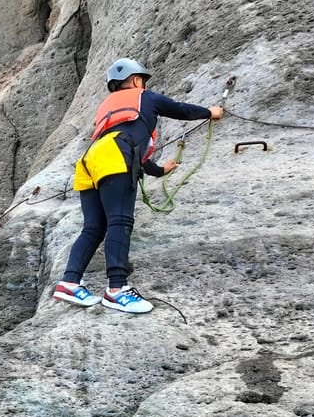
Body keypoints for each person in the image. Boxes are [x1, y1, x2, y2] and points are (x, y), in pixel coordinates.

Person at [53, 58, 223, 313]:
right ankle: (117, 289)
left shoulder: (106, 107)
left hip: (90, 160)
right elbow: (179, 109)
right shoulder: (144, 96)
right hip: (115, 158)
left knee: (93, 228)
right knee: (120, 222)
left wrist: (158, 170)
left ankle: (69, 283)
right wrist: (210, 112)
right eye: (141, 80)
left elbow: (129, 147)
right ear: (135, 80)